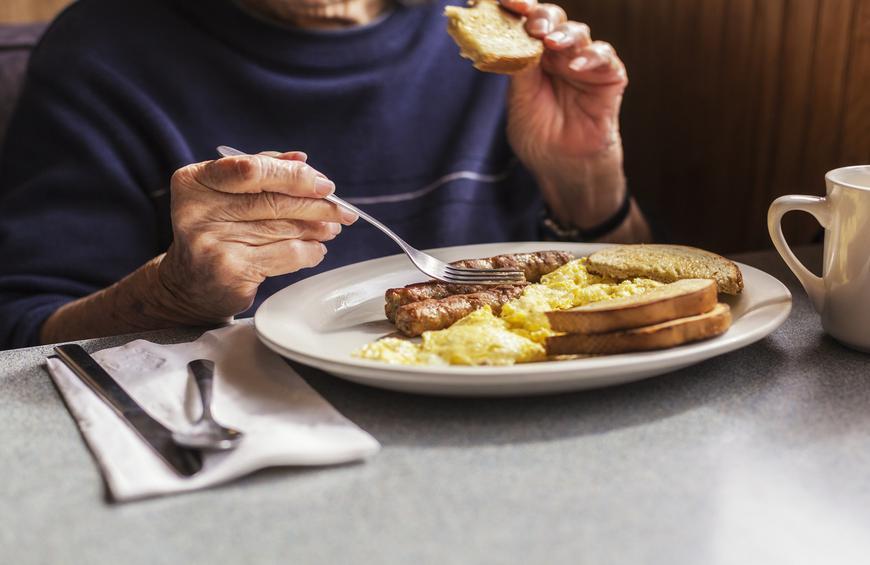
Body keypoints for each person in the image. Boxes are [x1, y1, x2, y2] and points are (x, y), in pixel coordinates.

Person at [0, 0, 651, 350]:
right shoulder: (101, 50)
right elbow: (20, 336)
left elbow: (639, 301)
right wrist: (170, 295)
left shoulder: (500, 46)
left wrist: (586, 182)